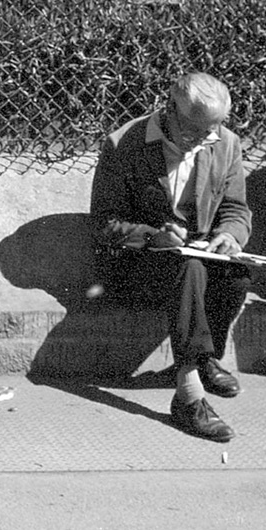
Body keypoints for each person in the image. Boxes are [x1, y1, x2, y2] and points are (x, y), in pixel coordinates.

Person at [90, 72, 254, 443]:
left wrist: (229, 234)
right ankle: (188, 392)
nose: (206, 139)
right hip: (137, 262)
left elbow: (236, 209)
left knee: (237, 274)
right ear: (170, 112)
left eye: (214, 128)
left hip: (194, 255)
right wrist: (153, 237)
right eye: (196, 131)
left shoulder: (225, 144)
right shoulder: (124, 144)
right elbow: (104, 222)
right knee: (188, 267)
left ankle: (206, 355)